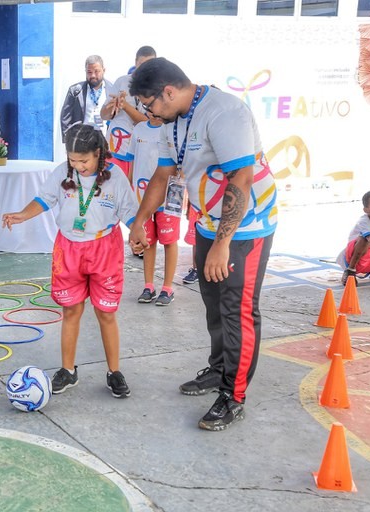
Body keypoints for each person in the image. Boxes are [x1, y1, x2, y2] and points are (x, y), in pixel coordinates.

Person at [128, 58, 277, 431]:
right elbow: (163, 174)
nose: (148, 113)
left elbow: (241, 178)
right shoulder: (172, 120)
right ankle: (219, 368)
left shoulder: (225, 113)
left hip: (246, 227)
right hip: (208, 222)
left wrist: (222, 244)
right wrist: (140, 221)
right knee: (213, 305)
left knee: (237, 310)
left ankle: (234, 396)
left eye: (149, 104)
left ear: (169, 91)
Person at [2, 124, 138, 399]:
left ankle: (114, 372)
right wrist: (22, 214)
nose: (78, 166)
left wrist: (137, 231)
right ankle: (67, 370)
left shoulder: (115, 176)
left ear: (98, 153)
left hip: (104, 248)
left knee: (106, 313)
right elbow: (44, 199)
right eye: (73, 160)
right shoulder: (62, 172)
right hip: (68, 249)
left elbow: (129, 211)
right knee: (71, 311)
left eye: (84, 161)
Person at [128, 113, 179, 306]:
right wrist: (130, 187)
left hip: (170, 195)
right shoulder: (139, 129)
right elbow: (132, 161)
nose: (152, 109)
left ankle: (167, 287)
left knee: (169, 240)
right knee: (146, 240)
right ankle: (148, 286)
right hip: (142, 195)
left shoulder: (173, 129)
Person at [100, 46, 156, 177]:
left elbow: (148, 122)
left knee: (134, 186)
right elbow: (103, 115)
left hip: (140, 150)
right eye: (141, 64)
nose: (144, 69)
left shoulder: (157, 87)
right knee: (111, 184)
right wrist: (112, 106)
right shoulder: (122, 81)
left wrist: (125, 106)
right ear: (136, 62)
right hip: (115, 148)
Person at [59, 55, 111, 141]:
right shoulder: (75, 91)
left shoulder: (112, 90)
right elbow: (65, 118)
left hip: (106, 140)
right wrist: (69, 142)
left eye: (96, 71)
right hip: (82, 141)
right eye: (89, 72)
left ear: (104, 70)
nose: (93, 75)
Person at [182, 201, 200, 285]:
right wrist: (188, 208)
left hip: (213, 207)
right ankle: (196, 269)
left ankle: (200, 269)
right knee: (194, 238)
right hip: (196, 207)